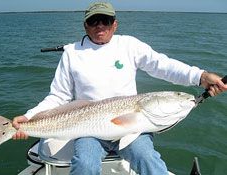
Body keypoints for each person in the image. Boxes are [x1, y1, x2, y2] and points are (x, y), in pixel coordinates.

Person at [12, 2, 227, 175]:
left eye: (105, 20)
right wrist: (29, 117)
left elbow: (163, 66)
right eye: (93, 21)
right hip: (90, 129)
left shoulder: (129, 45)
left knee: (147, 158)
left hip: (133, 127)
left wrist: (201, 76)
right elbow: (58, 95)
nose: (100, 26)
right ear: (85, 25)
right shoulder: (72, 54)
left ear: (115, 24)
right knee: (85, 165)